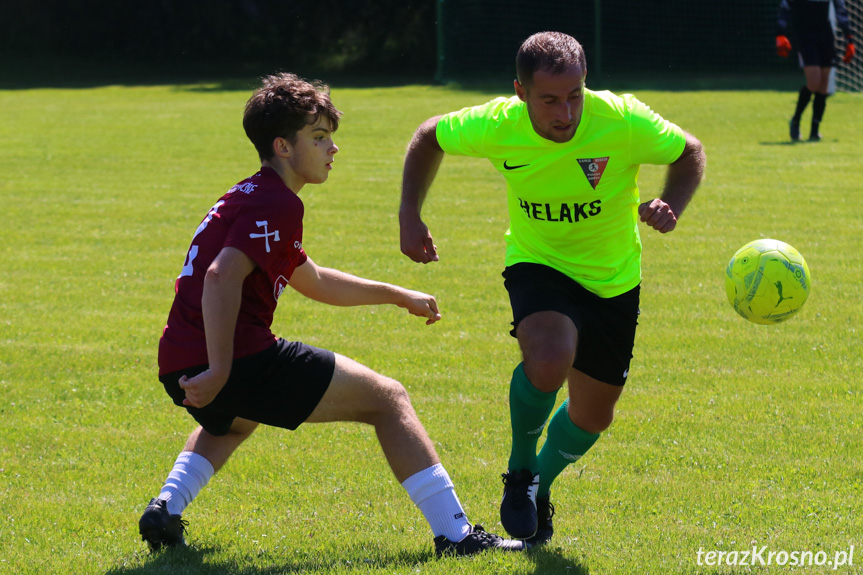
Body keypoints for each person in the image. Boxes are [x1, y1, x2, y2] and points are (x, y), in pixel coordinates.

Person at [138, 72, 524, 558]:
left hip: (177, 360)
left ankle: (166, 508)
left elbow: (311, 279)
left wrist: (397, 294)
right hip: (233, 359)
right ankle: (457, 535)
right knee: (388, 399)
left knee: (235, 421)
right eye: (318, 138)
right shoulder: (277, 203)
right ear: (282, 146)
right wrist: (221, 368)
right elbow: (220, 277)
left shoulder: (248, 195)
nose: (332, 149)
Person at [399, 32, 706, 545]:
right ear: (520, 91)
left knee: (593, 416)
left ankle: (539, 485)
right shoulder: (499, 125)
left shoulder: (622, 120)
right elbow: (430, 134)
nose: (565, 112)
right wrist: (410, 213)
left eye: (575, 96)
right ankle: (520, 473)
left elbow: (688, 151)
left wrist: (670, 201)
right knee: (548, 356)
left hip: (613, 279)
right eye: (549, 100)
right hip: (538, 263)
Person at [776, 0, 856, 141]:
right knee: (814, 83)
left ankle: (814, 131)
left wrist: (849, 38)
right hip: (806, 38)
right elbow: (784, 7)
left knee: (824, 86)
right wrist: (780, 33)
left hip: (825, 36)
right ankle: (796, 120)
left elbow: (841, 11)